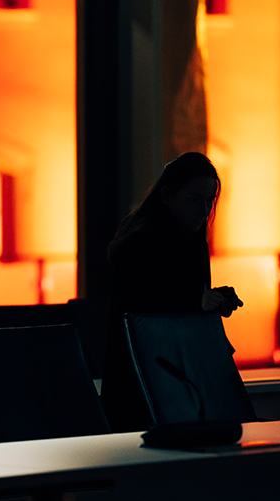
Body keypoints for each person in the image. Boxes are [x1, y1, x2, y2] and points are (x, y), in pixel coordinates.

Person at [100, 152, 244, 432]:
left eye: (209, 201)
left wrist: (213, 299)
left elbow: (170, 297)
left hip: (176, 377)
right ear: (167, 196)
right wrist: (196, 301)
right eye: (193, 200)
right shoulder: (140, 244)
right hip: (144, 385)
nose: (203, 210)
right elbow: (137, 310)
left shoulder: (191, 242)